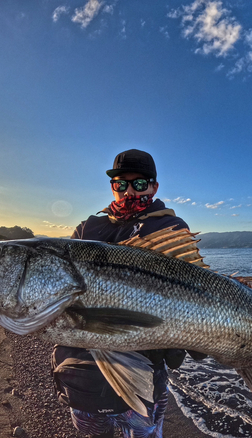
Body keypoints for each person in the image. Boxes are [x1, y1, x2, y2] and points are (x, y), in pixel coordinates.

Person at [51, 149, 201, 438]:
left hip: (143, 370)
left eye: (139, 184)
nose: (129, 190)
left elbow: (192, 290)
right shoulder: (87, 229)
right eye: (121, 184)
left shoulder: (170, 227)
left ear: (154, 186)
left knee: (144, 433)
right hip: (82, 373)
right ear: (112, 187)